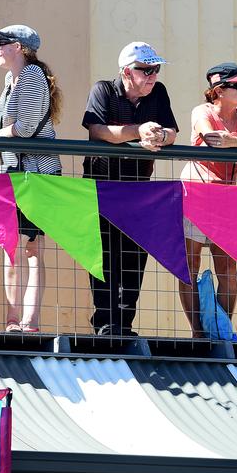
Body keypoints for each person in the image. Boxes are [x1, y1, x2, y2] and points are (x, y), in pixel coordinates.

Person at [82, 41, 178, 336]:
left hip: (139, 187)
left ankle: (125, 323)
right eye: (146, 70)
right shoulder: (103, 89)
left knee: (135, 257)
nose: (152, 76)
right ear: (126, 71)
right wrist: (138, 132)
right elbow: (96, 130)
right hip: (102, 185)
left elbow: (173, 131)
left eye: (156, 69)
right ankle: (105, 321)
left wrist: (159, 135)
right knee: (104, 255)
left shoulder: (158, 92)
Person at [178, 62, 237, 337]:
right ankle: (198, 332)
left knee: (228, 271)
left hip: (227, 199)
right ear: (218, 90)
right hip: (196, 193)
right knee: (189, 267)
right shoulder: (201, 111)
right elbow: (213, 138)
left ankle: (220, 330)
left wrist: (231, 140)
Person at [0, 25, 62, 334]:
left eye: (1, 43)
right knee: (13, 247)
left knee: (31, 248)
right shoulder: (11, 79)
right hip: (13, 171)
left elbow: (27, 128)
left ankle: (28, 321)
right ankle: (14, 320)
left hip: (34, 174)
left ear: (17, 46)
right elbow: (12, 125)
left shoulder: (30, 76)